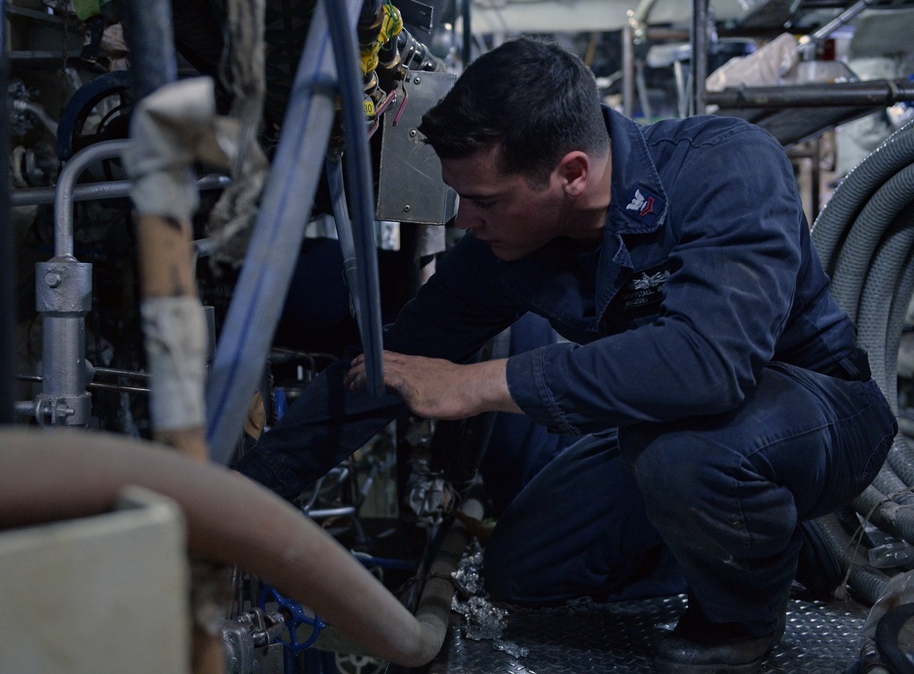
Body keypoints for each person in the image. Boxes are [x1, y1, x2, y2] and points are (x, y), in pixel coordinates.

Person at [238, 36, 897, 673]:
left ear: (572, 175)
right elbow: (389, 369)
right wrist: (241, 499)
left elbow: (709, 365)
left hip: (816, 411)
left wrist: (480, 383)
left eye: (484, 200)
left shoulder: (725, 166)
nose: (465, 218)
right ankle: (770, 539)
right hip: (670, 433)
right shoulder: (509, 247)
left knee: (687, 458)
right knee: (524, 569)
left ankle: (740, 623)